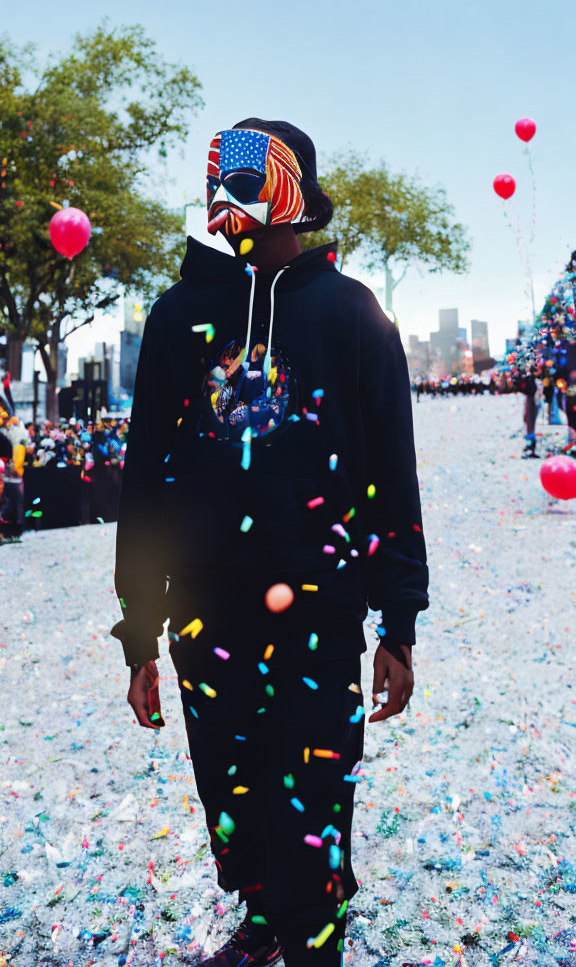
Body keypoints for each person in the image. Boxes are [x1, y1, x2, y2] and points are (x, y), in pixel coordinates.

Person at [111, 118, 429, 967]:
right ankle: (261, 919)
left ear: (291, 189)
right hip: (205, 612)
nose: (227, 202)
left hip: (319, 608)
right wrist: (140, 631)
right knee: (231, 783)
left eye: (248, 182)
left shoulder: (354, 315)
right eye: (219, 181)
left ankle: (314, 934)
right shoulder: (178, 318)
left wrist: (399, 620)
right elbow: (144, 480)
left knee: (317, 781)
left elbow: (389, 476)